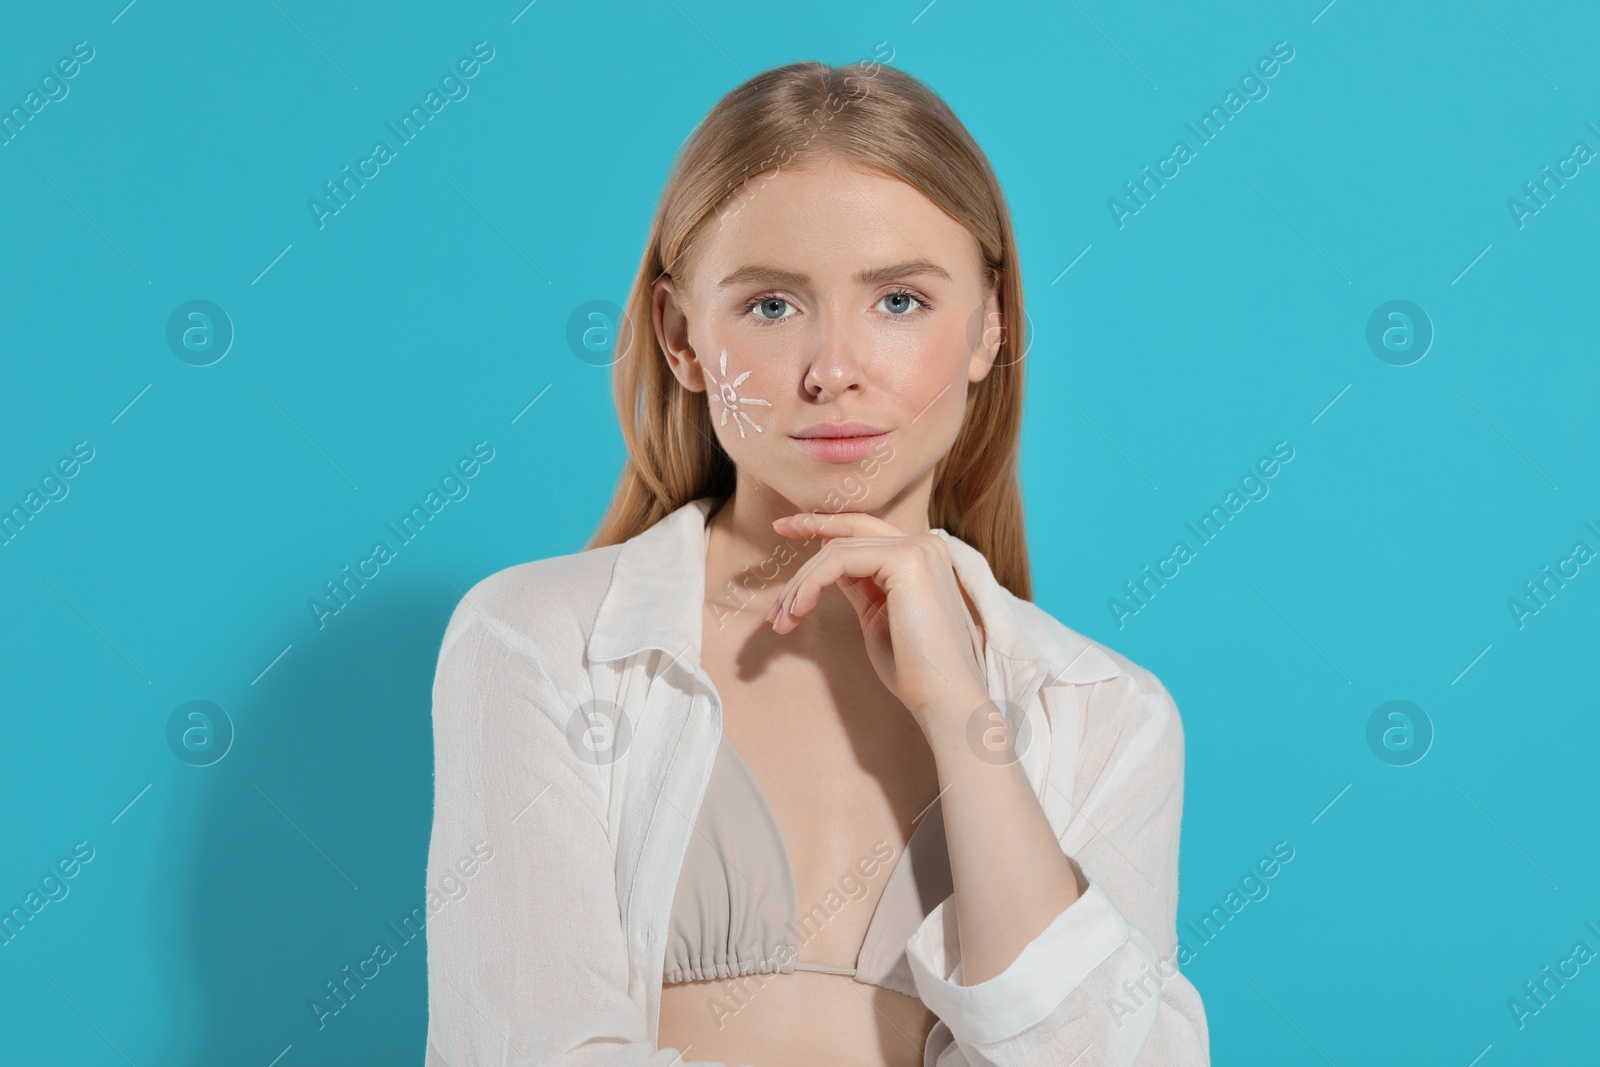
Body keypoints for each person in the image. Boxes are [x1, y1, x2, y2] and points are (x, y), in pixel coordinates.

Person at [423, 58, 1210, 1067]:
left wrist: (958, 713)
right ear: (680, 337)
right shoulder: (540, 640)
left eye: (898, 301)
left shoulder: (1103, 708)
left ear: (990, 324)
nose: (832, 368)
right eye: (769, 305)